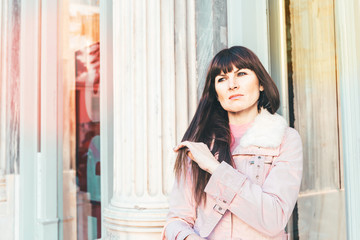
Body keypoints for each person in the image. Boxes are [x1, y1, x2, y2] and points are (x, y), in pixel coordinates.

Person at [162, 46, 303, 240]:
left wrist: (214, 167)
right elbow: (177, 220)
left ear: (261, 84)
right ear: (216, 94)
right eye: (222, 79)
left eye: (242, 73)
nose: (232, 85)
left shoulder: (285, 140)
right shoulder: (199, 146)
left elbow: (273, 219)